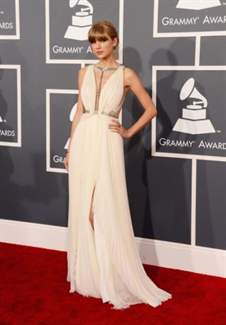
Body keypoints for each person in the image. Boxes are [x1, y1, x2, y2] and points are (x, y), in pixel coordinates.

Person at [64, 20, 172, 310]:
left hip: (107, 142)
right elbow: (80, 111)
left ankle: (112, 275)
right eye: (92, 41)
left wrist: (127, 132)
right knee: (82, 209)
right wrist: (71, 147)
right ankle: (92, 274)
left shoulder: (126, 74)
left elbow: (150, 110)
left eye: (102, 40)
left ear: (115, 41)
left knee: (104, 206)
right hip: (84, 138)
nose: (97, 46)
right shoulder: (83, 72)